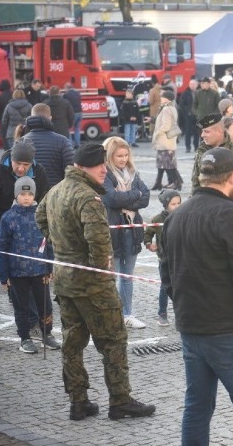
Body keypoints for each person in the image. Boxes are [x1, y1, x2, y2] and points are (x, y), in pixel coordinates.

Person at [160, 146, 233, 444]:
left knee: (197, 407)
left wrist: (185, 307)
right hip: (229, 330)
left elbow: (167, 275)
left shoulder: (176, 215)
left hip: (192, 327)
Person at [36, 143, 156, 421]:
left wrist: (61, 245)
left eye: (104, 164)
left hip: (65, 281)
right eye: (97, 165)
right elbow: (100, 246)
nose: (104, 169)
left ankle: (79, 402)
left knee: (72, 343)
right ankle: (120, 400)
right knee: (114, 339)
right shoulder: (88, 197)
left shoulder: (56, 191)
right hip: (92, 283)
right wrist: (98, 271)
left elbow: (40, 217)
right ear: (81, 167)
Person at [0, 139, 50, 351]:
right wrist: (2, 243)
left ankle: (34, 324)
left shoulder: (40, 173)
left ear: (32, 163)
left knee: (30, 277)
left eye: (25, 164)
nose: (21, 168)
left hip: (27, 235)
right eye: (18, 163)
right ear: (11, 158)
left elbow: (45, 203)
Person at [0, 176, 60, 354]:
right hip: (17, 273)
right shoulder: (7, 218)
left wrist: (49, 267)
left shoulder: (41, 214)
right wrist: (3, 274)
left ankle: (47, 335)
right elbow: (1, 247)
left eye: (30, 193)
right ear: (16, 195)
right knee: (21, 307)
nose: (26, 197)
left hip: (40, 270)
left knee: (45, 304)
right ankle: (24, 338)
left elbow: (48, 243)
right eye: (22, 193)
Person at [101, 137, 150, 329]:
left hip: (132, 228)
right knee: (108, 276)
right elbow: (111, 199)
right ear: (110, 155)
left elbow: (145, 197)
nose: (123, 159)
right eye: (118, 155)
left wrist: (126, 199)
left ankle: (127, 314)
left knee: (127, 276)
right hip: (112, 230)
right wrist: (134, 195)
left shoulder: (133, 172)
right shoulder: (105, 174)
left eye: (125, 155)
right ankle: (110, 315)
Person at [191, 113, 233, 200]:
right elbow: (195, 180)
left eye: (206, 131)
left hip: (231, 201)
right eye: (202, 131)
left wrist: (225, 189)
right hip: (205, 202)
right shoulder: (202, 150)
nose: (202, 135)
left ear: (219, 131)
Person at [144, 188, 181, 327]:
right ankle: (162, 313)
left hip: (179, 258)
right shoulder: (158, 219)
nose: (177, 207)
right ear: (166, 205)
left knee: (179, 287)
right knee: (165, 287)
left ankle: (180, 313)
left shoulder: (182, 216)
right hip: (164, 258)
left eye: (179, 203)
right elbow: (148, 233)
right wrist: (149, 244)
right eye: (173, 204)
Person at [20, 103, 75, 187]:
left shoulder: (21, 142)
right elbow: (72, 172)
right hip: (56, 194)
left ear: (31, 117)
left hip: (29, 194)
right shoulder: (63, 141)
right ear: (50, 118)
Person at [152, 90, 183, 191]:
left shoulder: (166, 109)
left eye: (163, 97)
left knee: (167, 164)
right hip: (168, 140)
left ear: (167, 99)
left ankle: (177, 182)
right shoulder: (171, 108)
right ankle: (158, 183)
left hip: (164, 140)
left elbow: (166, 125)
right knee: (162, 164)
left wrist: (157, 133)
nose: (161, 98)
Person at [177, 78, 199, 153]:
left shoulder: (199, 93)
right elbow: (181, 104)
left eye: (193, 84)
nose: (192, 86)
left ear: (197, 85)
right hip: (189, 115)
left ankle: (196, 146)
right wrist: (187, 111)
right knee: (188, 132)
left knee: (197, 132)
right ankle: (188, 147)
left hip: (197, 115)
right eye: (191, 84)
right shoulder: (185, 93)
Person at [63, 83, 83, 147]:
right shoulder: (78, 93)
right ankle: (77, 144)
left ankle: (70, 144)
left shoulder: (66, 95)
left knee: (67, 128)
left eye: (64, 88)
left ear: (66, 88)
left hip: (73, 113)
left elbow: (65, 104)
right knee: (77, 128)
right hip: (80, 113)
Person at [0, 79, 11, 148]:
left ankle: (7, 152)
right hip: (14, 119)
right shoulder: (14, 94)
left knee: (4, 136)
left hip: (3, 119)